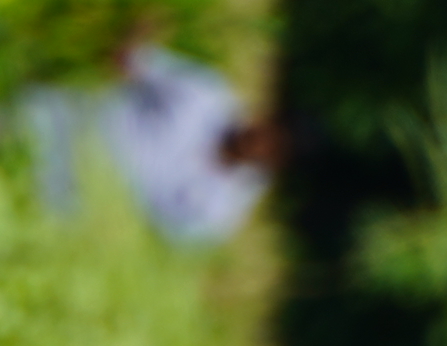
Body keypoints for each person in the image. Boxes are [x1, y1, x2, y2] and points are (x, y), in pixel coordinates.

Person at [23, 41, 278, 245]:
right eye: (271, 132)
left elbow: (154, 241)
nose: (261, 142)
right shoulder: (209, 93)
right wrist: (130, 49)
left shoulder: (221, 210)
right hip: (69, 123)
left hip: (77, 199)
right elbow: (137, 60)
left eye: (274, 149)